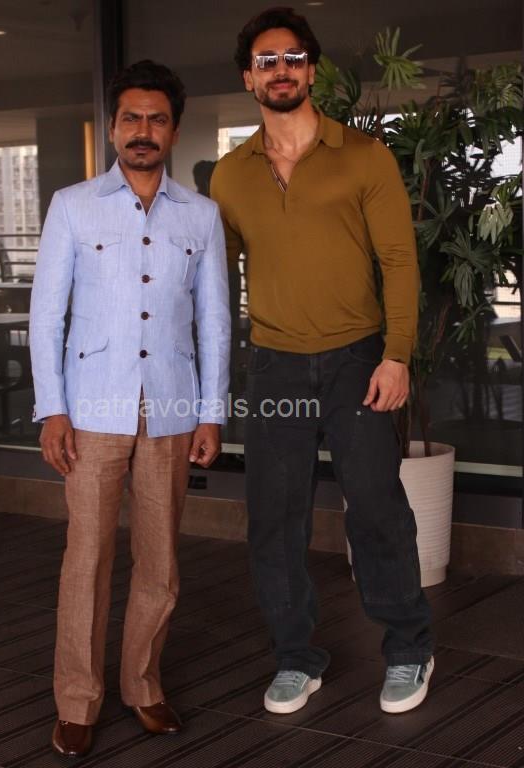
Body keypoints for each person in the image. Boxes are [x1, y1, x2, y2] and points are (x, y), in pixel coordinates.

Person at [210, 6, 434, 717]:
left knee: (375, 507)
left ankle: (408, 647)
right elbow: (217, 288)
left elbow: (399, 262)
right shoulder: (229, 177)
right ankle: (296, 657)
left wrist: (396, 356)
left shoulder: (364, 156)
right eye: (266, 61)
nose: (280, 71)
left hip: (356, 362)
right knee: (274, 518)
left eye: (293, 58)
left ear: (311, 70)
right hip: (274, 365)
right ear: (248, 78)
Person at [30, 59, 230, 758]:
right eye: (131, 118)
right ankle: (76, 700)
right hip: (90, 410)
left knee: (160, 560)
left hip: (171, 409)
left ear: (173, 130)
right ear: (113, 127)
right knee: (86, 557)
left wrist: (211, 412)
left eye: (157, 119)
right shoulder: (73, 205)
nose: (143, 131)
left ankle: (142, 685)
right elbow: (46, 315)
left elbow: (215, 320)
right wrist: (52, 410)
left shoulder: (202, 215)